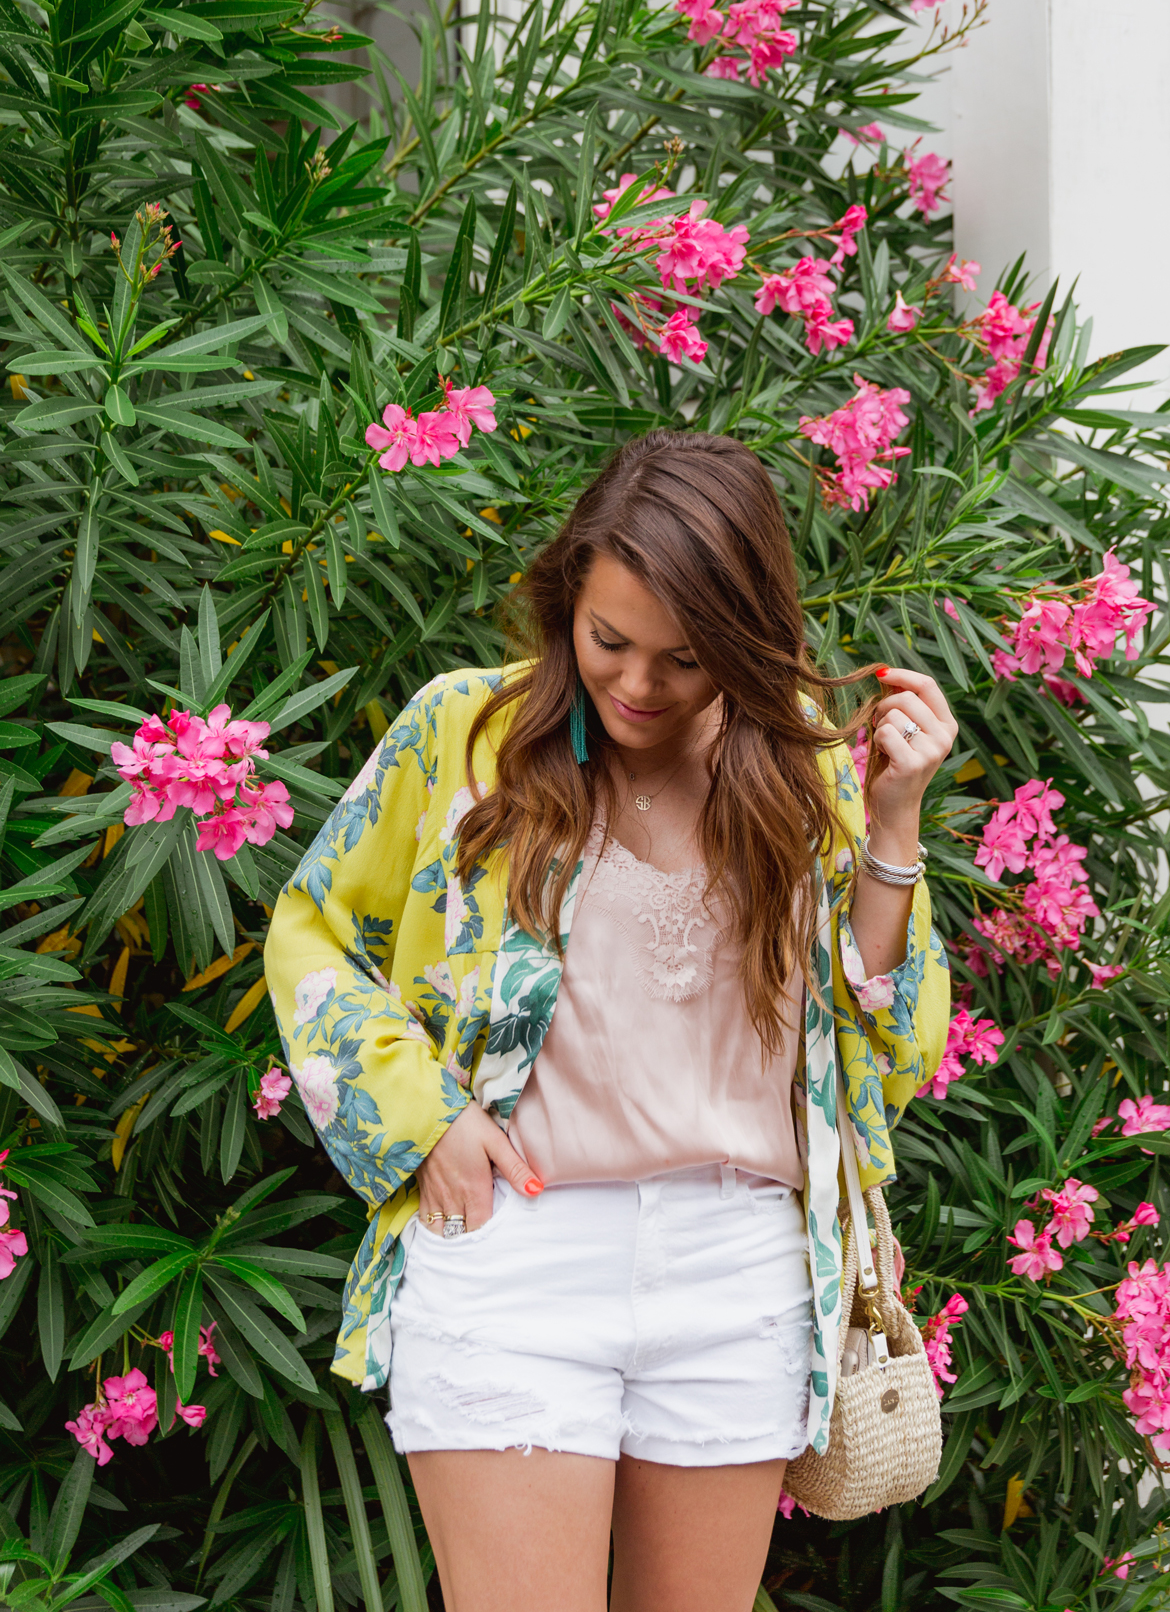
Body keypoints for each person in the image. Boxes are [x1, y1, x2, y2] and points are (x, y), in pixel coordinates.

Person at [265, 429, 955, 1612]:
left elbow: (882, 1055)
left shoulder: (806, 768)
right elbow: (313, 928)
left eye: (683, 658)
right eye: (608, 640)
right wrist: (422, 1118)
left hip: (737, 1269)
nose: (636, 685)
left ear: (745, 636)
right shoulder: (466, 735)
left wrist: (893, 825)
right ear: (566, 599)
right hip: (522, 1254)